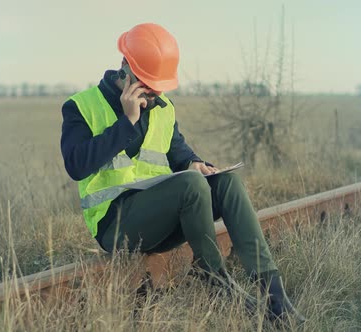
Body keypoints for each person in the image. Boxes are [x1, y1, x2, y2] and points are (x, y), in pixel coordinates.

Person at [60, 22, 304, 322]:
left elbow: (178, 151)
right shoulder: (81, 107)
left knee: (226, 182)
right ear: (125, 68)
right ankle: (214, 279)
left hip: (159, 222)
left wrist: (195, 163)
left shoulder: (163, 108)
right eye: (148, 85)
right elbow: (76, 165)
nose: (153, 95)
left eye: (158, 87)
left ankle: (275, 296)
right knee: (190, 185)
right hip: (115, 227)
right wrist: (126, 123)